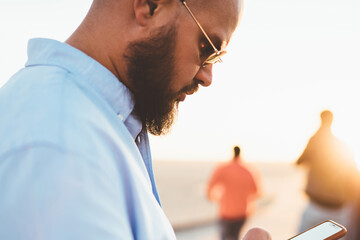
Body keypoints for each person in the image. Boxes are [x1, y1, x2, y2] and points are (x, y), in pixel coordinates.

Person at [0, 0, 271, 239]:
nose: (207, 77)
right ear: (149, 6)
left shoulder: (93, 121)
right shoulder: (60, 144)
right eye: (207, 49)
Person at [296, 110, 357, 235]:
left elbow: (299, 162)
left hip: (317, 206)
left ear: (321, 119)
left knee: (305, 236)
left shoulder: (316, 140)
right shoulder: (342, 145)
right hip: (339, 208)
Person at [207, 146, 261, 240]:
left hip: (226, 212)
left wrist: (216, 198)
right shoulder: (248, 170)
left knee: (225, 236)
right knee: (235, 236)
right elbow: (256, 191)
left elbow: (210, 187)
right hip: (242, 212)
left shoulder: (223, 169)